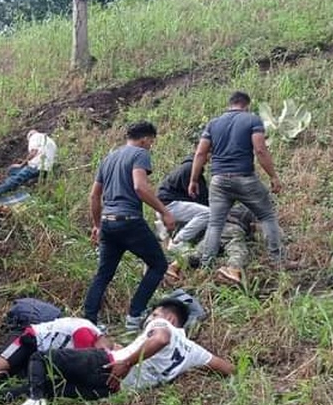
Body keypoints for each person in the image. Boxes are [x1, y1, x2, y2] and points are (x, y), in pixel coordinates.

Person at [16, 299, 234, 405]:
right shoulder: (194, 351)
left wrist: (127, 362)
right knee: (48, 387)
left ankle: (35, 401)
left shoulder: (164, 325)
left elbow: (161, 338)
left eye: (154, 313)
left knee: (41, 358)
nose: (150, 318)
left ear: (168, 318)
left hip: (108, 364)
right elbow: (227, 368)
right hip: (113, 389)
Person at [83, 121, 175, 330]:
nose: (151, 145)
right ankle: (135, 315)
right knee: (159, 264)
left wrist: (97, 225)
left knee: (103, 274)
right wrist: (165, 211)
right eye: (151, 141)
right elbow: (140, 187)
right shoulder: (139, 154)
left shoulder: (109, 158)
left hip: (108, 223)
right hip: (129, 221)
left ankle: (89, 322)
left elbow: (94, 196)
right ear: (144, 139)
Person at [189, 91, 286, 268]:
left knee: (215, 223)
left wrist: (193, 179)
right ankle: (277, 261)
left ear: (230, 104)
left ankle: (206, 263)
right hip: (244, 178)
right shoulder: (252, 120)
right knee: (266, 215)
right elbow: (260, 150)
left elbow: (201, 152)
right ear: (246, 104)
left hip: (218, 181)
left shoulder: (213, 124)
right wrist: (273, 176)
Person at [168, 204, 256, 284]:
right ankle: (232, 269)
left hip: (214, 228)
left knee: (199, 252)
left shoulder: (230, 206)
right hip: (233, 228)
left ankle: (174, 266)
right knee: (238, 251)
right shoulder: (250, 209)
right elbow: (254, 227)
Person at [0, 130, 56, 201]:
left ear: (30, 136)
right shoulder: (51, 141)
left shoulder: (34, 137)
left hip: (36, 166)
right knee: (17, 174)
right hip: (46, 169)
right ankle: (12, 187)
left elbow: (33, 152)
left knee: (14, 180)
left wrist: (21, 164)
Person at [156, 155, 209, 251]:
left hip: (165, 206)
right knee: (207, 213)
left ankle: (165, 235)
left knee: (200, 213)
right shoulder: (190, 168)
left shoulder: (189, 167)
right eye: (208, 153)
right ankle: (177, 241)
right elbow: (198, 197)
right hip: (169, 206)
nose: (209, 158)